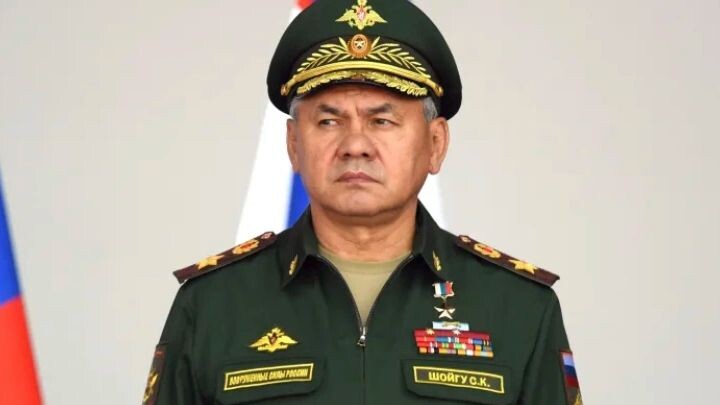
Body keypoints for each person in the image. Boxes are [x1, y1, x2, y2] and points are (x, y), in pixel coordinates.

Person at [143, 0, 583, 404]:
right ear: (293, 144)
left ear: (435, 143)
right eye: (329, 121)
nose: (355, 145)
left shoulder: (519, 308)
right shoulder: (212, 305)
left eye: (382, 120)